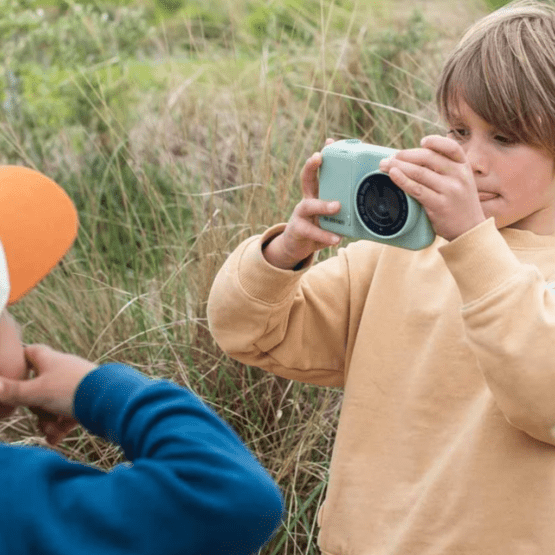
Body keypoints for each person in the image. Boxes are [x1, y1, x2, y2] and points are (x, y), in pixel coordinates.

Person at [206, 0, 555, 552]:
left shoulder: (476, 251)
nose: (473, 160)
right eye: (459, 131)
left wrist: (470, 242)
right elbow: (249, 331)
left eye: (505, 138)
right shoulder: (405, 250)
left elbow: (546, 398)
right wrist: (286, 254)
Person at [0, 166, 284, 554]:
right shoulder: (19, 503)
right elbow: (233, 495)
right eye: (9, 310)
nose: (18, 326)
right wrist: (99, 390)